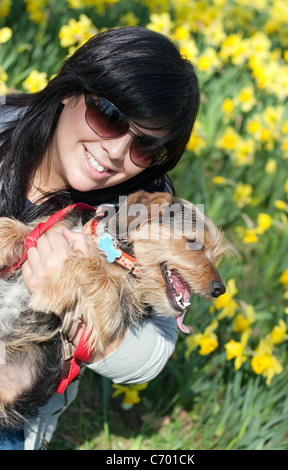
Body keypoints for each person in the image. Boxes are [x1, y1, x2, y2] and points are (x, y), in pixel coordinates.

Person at [0, 26, 200, 450]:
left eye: (144, 147)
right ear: (70, 91)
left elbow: (150, 356)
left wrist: (76, 301)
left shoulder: (143, 212)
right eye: (109, 116)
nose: (116, 153)